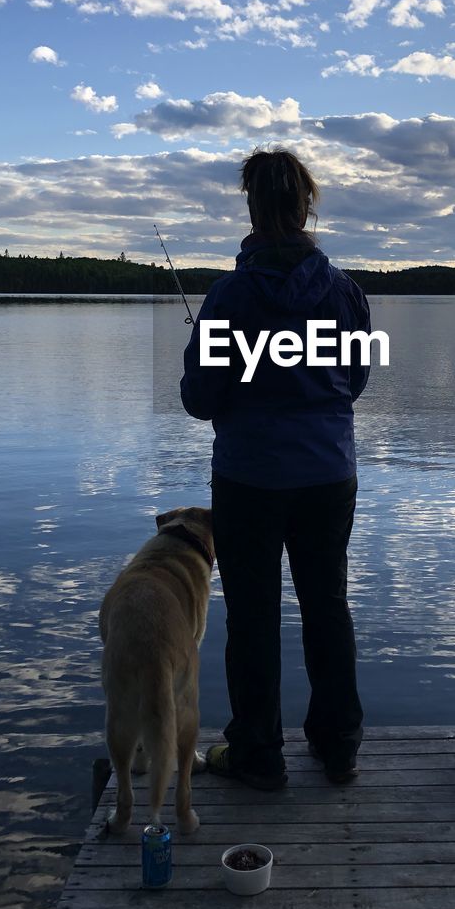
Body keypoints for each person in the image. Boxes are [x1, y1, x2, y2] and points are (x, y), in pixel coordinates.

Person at [180, 146, 371, 789]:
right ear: (305, 206)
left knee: (253, 618)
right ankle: (339, 747)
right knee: (328, 607)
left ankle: (260, 757)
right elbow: (354, 379)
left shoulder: (230, 296)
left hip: (251, 480)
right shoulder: (345, 291)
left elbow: (201, 400)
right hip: (327, 475)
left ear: (254, 208)